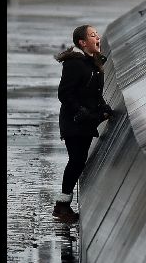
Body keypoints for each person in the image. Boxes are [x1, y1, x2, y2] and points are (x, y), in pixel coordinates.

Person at [51, 25, 114, 224]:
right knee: (77, 160)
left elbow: (95, 93)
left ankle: (63, 205)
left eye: (97, 34)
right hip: (73, 121)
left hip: (86, 121)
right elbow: (64, 93)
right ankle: (62, 206)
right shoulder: (75, 64)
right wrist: (80, 110)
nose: (98, 37)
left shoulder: (93, 62)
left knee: (79, 159)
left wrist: (103, 107)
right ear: (82, 42)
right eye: (93, 35)